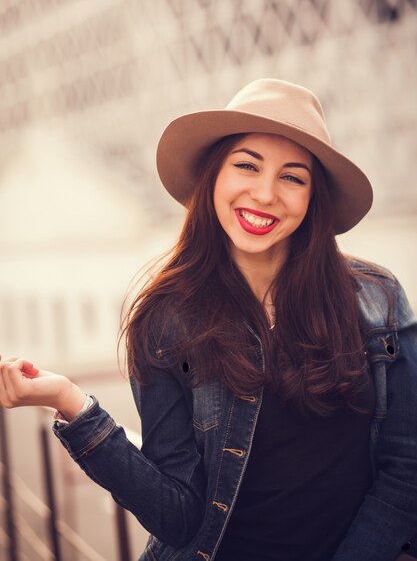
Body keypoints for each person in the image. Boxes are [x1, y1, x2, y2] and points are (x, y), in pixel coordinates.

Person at [0, 79, 416, 561]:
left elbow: (406, 471)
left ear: (313, 198)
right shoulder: (164, 320)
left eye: (292, 177)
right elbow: (178, 515)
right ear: (213, 176)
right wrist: (71, 405)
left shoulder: (376, 301)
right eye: (247, 165)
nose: (264, 194)